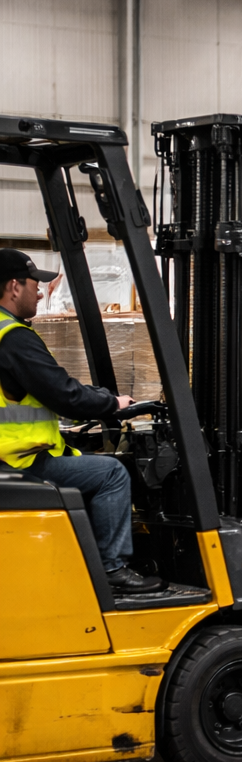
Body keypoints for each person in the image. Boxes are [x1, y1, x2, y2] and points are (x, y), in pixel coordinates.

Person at [0, 248, 163, 594]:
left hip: (11, 458)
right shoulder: (14, 338)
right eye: (35, 284)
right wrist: (111, 403)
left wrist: (95, 398)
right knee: (112, 475)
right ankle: (112, 569)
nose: (41, 291)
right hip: (21, 463)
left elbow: (47, 390)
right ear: (14, 287)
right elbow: (64, 395)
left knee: (84, 456)